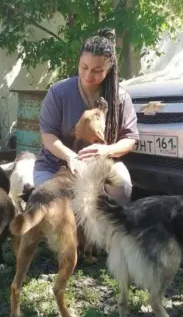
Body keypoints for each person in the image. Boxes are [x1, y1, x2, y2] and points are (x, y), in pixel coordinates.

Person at [34, 28, 139, 205]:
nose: (88, 75)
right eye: (84, 67)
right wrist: (71, 157)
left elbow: (130, 139)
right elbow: (48, 136)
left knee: (123, 186)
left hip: (101, 164)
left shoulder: (120, 98)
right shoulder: (58, 93)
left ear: (109, 69)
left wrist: (107, 150)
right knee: (58, 204)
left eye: (97, 70)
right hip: (55, 167)